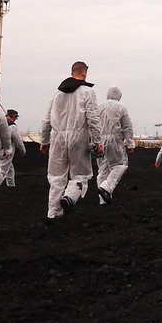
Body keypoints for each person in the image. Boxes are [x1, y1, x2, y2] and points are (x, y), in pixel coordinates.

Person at [39, 61, 103, 221]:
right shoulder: (87, 92)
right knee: (81, 175)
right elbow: (93, 118)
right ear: (84, 74)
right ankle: (70, 197)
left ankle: (53, 213)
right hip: (78, 137)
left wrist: (44, 141)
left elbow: (46, 119)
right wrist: (97, 140)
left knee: (56, 177)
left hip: (57, 138)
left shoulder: (57, 94)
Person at [96, 86, 134, 203]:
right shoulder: (121, 107)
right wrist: (129, 144)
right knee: (120, 165)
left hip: (100, 141)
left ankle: (103, 201)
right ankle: (107, 187)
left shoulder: (99, 107)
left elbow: (93, 124)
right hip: (114, 140)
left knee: (103, 169)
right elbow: (127, 127)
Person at [0, 109, 27, 187]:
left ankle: (11, 186)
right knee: (2, 172)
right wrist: (23, 151)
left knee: (10, 170)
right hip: (6, 151)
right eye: (16, 117)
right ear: (13, 116)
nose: (16, 119)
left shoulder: (0, 124)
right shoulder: (12, 126)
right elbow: (18, 141)